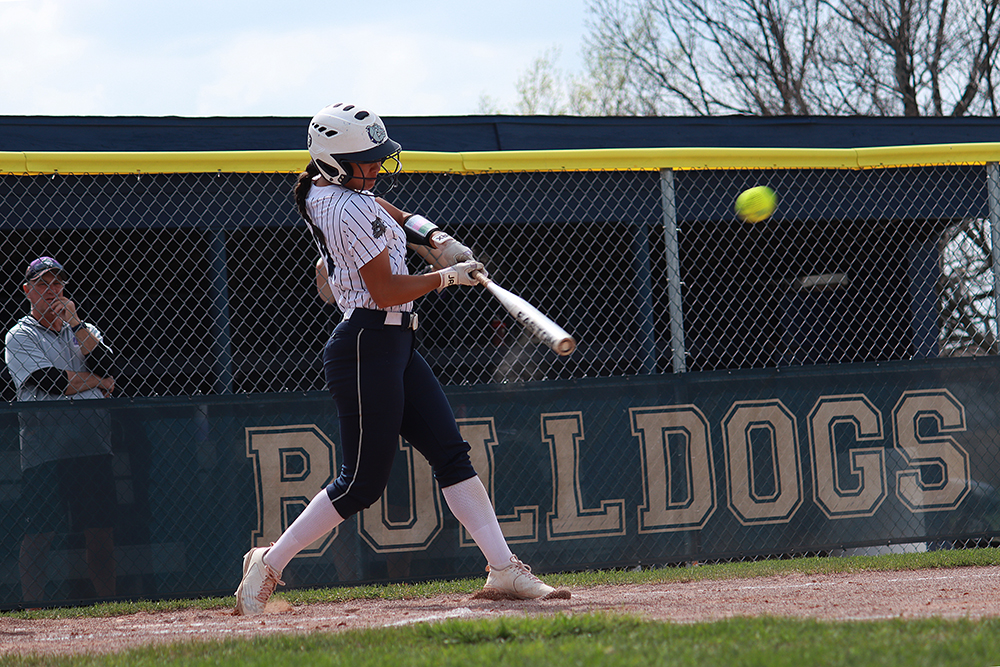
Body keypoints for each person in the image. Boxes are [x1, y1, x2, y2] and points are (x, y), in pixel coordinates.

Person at [234, 103, 562, 614]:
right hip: (367, 343)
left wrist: (437, 239)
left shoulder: (341, 192)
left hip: (396, 343)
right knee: (361, 483)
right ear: (334, 163)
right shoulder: (343, 208)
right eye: (366, 159)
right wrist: (445, 276)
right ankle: (270, 562)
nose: (376, 166)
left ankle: (504, 569)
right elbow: (385, 290)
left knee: (451, 454)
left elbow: (396, 214)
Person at [5, 257, 117, 602]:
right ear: (27, 291)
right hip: (45, 451)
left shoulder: (84, 330)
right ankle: (35, 607)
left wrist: (77, 324)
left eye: (57, 284)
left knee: (100, 532)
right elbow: (48, 382)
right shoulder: (19, 335)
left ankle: (109, 605)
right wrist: (97, 382)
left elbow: (109, 363)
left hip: (92, 446)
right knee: (40, 533)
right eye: (43, 284)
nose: (52, 291)